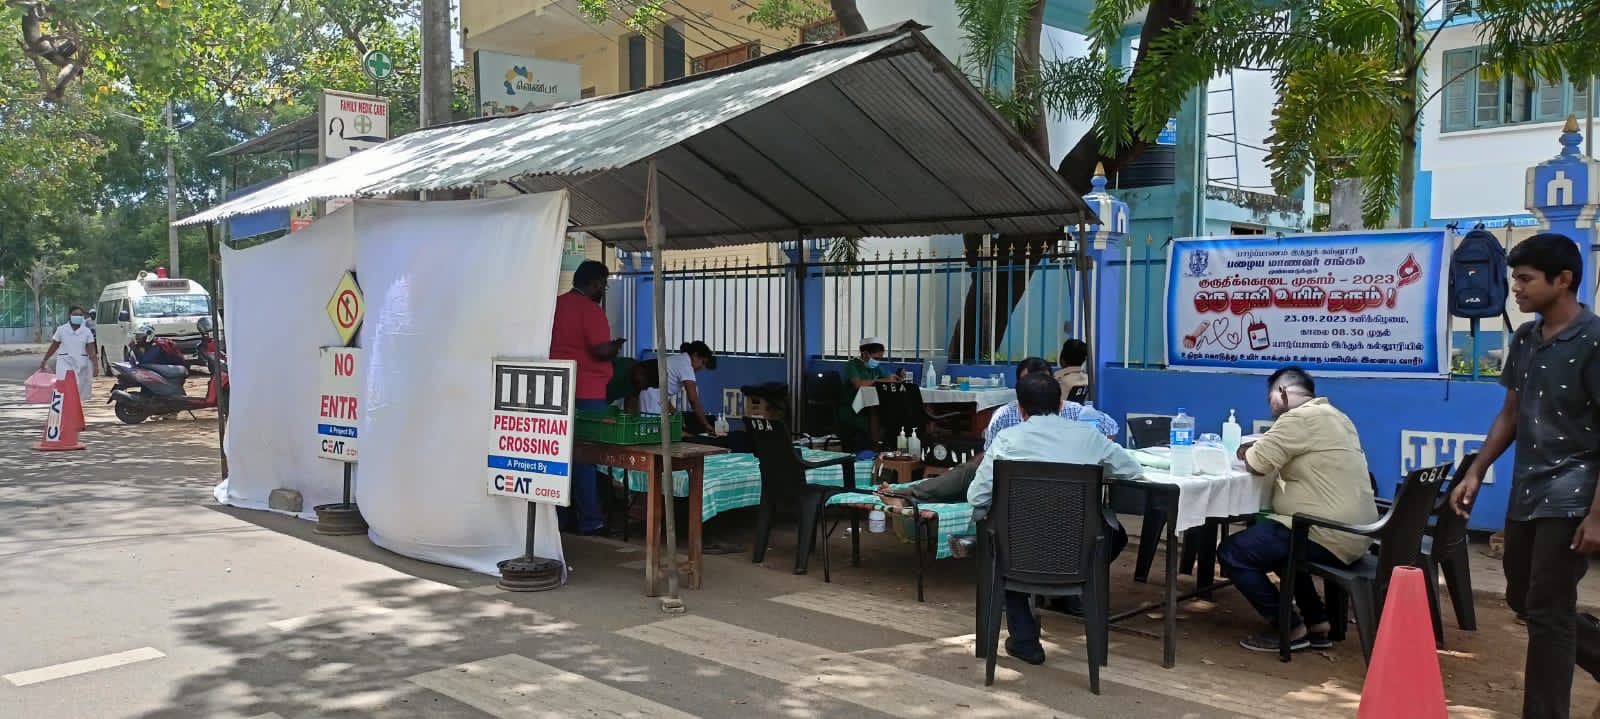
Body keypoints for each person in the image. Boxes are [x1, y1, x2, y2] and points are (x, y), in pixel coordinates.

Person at [1449, 233, 1600, 719]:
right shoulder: (1524, 339)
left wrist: (1597, 516)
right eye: (1515, 278)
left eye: (1526, 279)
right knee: (1523, 596)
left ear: (1564, 280)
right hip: (1528, 490)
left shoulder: (1594, 341)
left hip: (1575, 491)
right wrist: (1477, 470)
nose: (1515, 288)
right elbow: (1510, 413)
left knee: (1549, 612)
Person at [964, 372, 1144, 666]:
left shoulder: (1007, 441)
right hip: (1077, 553)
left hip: (1020, 554)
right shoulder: (1088, 437)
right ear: (1061, 404)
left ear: (1020, 409)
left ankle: (1025, 640)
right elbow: (1132, 470)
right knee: (1115, 534)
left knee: (1000, 547)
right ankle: (1073, 587)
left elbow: (976, 497)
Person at [1217, 366, 1377, 653]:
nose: (1270, 407)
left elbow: (1257, 463)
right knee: (1273, 537)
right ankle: (1317, 622)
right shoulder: (1336, 416)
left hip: (1325, 532)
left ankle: (1289, 627)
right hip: (1357, 532)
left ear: (1281, 392)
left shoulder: (1297, 418)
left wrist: (1250, 450)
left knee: (1234, 552)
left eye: (1270, 399)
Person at [882, 357, 1118, 504]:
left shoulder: (1079, 417)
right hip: (1017, 488)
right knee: (970, 472)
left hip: (1037, 496)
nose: (1036, 388)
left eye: (1041, 382)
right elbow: (988, 462)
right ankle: (910, 495)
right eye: (1030, 383)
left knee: (975, 485)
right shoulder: (1005, 417)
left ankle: (910, 496)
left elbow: (978, 498)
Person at [550, 260, 626, 536]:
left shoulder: (556, 305)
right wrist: (615, 347)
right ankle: (590, 521)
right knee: (585, 457)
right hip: (587, 391)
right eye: (603, 284)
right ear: (594, 283)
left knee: (559, 456)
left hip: (557, 389)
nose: (604, 290)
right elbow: (599, 350)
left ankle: (560, 520)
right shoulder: (591, 310)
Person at [637, 340, 717, 435]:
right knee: (653, 434)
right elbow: (693, 400)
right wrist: (706, 424)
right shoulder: (686, 366)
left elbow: (663, 395)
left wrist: (675, 413)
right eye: (703, 362)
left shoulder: (679, 360)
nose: (702, 367)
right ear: (695, 356)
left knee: (654, 432)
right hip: (651, 397)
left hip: (650, 395)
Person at [837, 337, 905, 448]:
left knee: (890, 414)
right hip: (853, 409)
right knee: (876, 413)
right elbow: (857, 384)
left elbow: (889, 377)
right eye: (876, 358)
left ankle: (888, 446)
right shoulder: (852, 365)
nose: (877, 361)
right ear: (865, 354)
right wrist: (879, 381)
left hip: (871, 406)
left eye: (880, 359)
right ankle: (875, 447)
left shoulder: (876, 367)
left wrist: (897, 377)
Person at [39, 306, 96, 403]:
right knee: (64, 388)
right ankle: (63, 407)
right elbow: (54, 346)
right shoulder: (61, 330)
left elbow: (91, 350)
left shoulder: (87, 332)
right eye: (75, 314)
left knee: (79, 390)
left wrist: (95, 366)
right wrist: (45, 360)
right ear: (70, 315)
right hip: (64, 363)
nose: (78, 317)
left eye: (80, 315)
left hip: (81, 365)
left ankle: (75, 409)